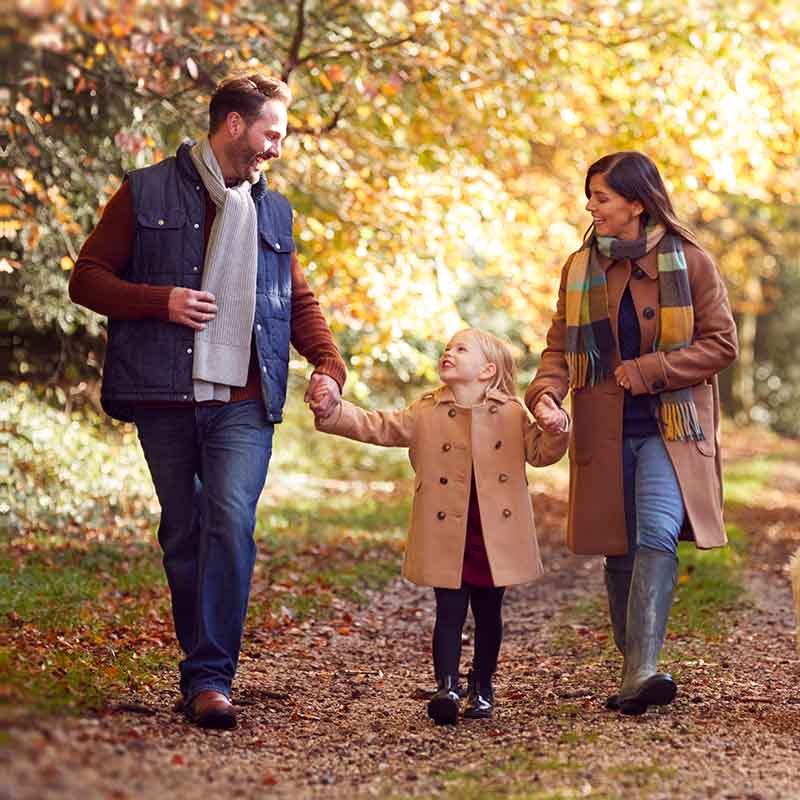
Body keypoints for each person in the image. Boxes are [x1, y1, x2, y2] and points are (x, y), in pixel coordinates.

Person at [69, 75, 347, 729]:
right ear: (232, 126)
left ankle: (210, 676)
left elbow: (295, 300)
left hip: (245, 398)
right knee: (183, 532)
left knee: (229, 519)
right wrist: (159, 301)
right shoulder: (145, 190)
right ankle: (202, 668)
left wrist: (329, 363)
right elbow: (86, 278)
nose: (276, 148)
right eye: (271, 133)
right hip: (164, 393)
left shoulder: (273, 211)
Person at [526, 151, 738, 715]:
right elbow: (559, 346)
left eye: (601, 196)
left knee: (656, 534)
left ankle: (642, 667)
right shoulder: (579, 268)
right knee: (616, 551)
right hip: (603, 428)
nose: (590, 205)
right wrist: (545, 392)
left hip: (671, 429)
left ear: (636, 203)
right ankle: (633, 667)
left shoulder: (691, 262)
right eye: (590, 195)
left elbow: (721, 345)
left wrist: (651, 370)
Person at [312, 328, 569, 724]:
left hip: (493, 534)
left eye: (460, 349)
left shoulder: (512, 412)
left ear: (486, 371)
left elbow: (540, 452)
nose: (448, 352)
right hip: (447, 530)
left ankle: (482, 686)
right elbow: (379, 425)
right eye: (448, 348)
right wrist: (334, 411)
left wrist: (557, 427)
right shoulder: (427, 410)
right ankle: (446, 686)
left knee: (488, 613)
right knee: (448, 611)